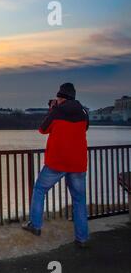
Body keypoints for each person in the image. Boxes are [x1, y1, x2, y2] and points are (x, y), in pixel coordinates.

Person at [22, 83, 90, 247]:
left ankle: (35, 225)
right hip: (78, 163)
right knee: (79, 200)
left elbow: (42, 129)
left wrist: (52, 109)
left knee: (39, 190)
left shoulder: (57, 112)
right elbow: (85, 128)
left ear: (60, 97)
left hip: (57, 162)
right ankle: (82, 238)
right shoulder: (84, 113)